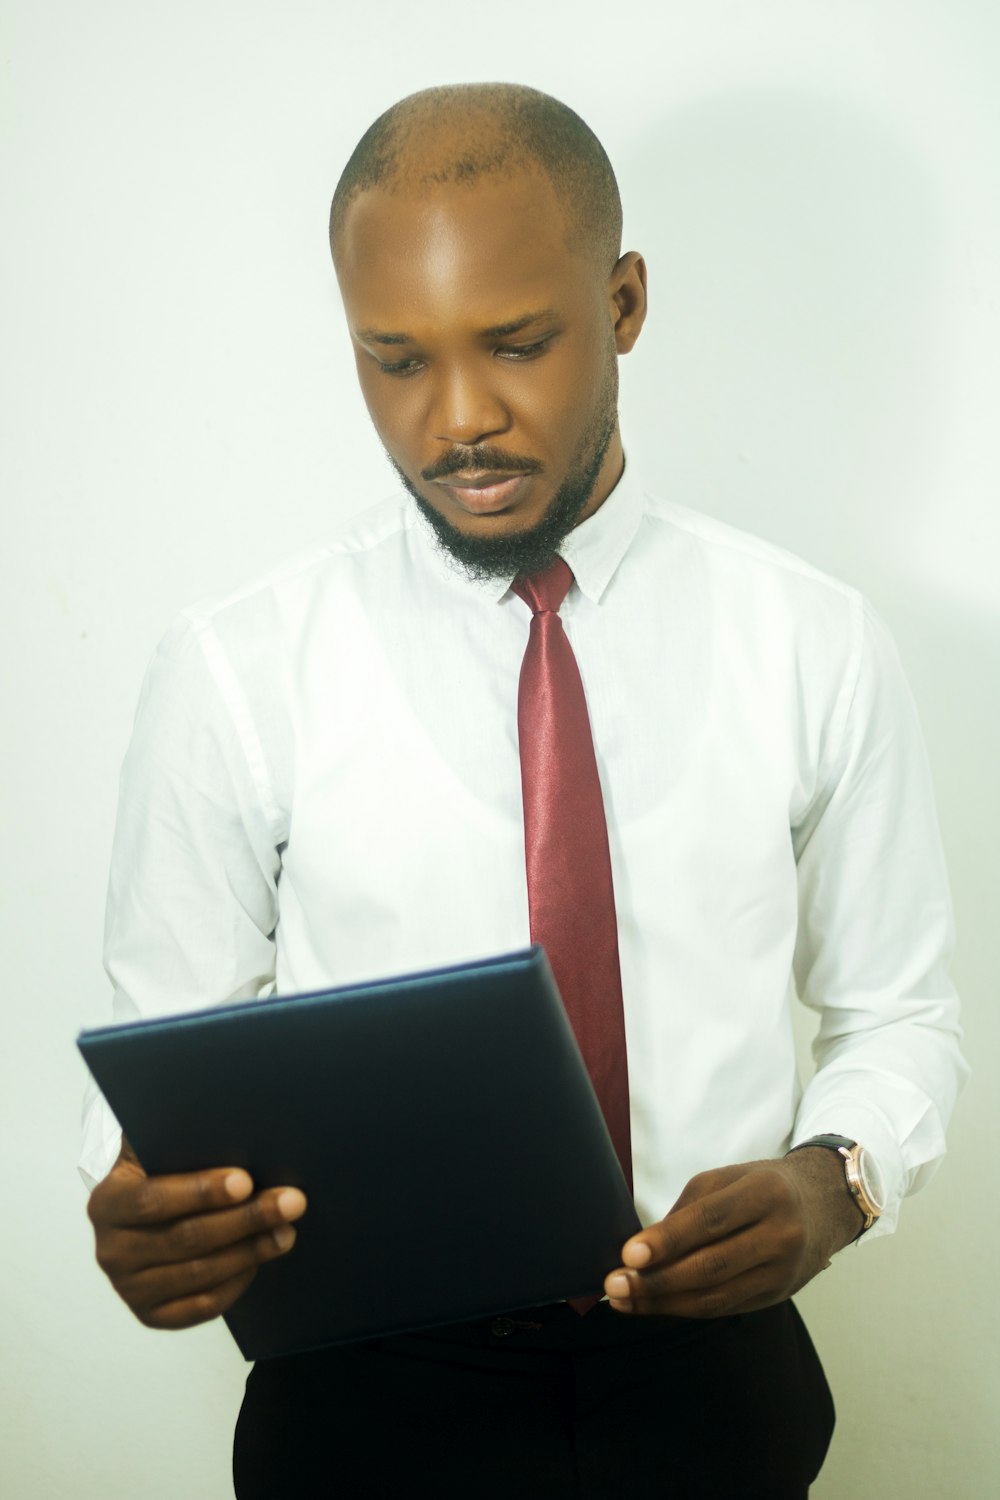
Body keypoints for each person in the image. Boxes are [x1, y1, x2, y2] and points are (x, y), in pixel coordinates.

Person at [83, 83, 966, 1498]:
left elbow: (901, 1015)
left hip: (715, 1387)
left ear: (622, 305)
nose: (462, 420)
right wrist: (147, 1204)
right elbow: (163, 1059)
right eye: (396, 361)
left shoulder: (811, 641)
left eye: (517, 343)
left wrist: (835, 1181)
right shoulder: (235, 668)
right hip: (363, 1399)